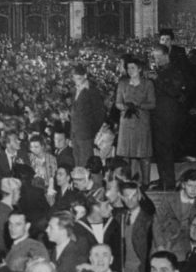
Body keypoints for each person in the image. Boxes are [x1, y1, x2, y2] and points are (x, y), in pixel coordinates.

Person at [149, 43, 188, 187]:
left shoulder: (174, 71)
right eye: (154, 58)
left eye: (158, 57)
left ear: (166, 56)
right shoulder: (159, 71)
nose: (156, 60)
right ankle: (162, 179)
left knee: (167, 150)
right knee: (159, 151)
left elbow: (174, 91)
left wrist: (156, 80)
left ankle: (169, 182)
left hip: (168, 117)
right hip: (157, 116)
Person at [115, 55, 156, 186]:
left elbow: (152, 104)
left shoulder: (147, 84)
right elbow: (117, 103)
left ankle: (145, 183)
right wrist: (125, 107)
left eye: (133, 68)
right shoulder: (122, 83)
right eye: (128, 68)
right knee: (126, 155)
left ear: (139, 69)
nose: (130, 70)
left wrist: (138, 106)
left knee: (144, 154)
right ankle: (127, 182)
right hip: (126, 123)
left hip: (141, 123)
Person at [154, 169, 196, 259]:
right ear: (183, 185)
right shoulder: (169, 199)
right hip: (167, 241)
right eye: (190, 185)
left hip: (188, 243)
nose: (193, 190)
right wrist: (160, 246)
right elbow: (156, 223)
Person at [116, 180, 152, 272]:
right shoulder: (118, 217)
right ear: (121, 197)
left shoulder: (148, 220)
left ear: (140, 196)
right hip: (122, 271)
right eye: (126, 196)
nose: (130, 199)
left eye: (133, 195)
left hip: (140, 271)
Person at [70, 64, 107, 167]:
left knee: (85, 163)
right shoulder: (75, 90)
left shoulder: (92, 91)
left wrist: (92, 130)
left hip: (86, 133)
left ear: (85, 76)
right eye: (74, 77)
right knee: (77, 162)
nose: (76, 80)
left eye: (78, 77)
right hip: (75, 133)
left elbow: (100, 113)